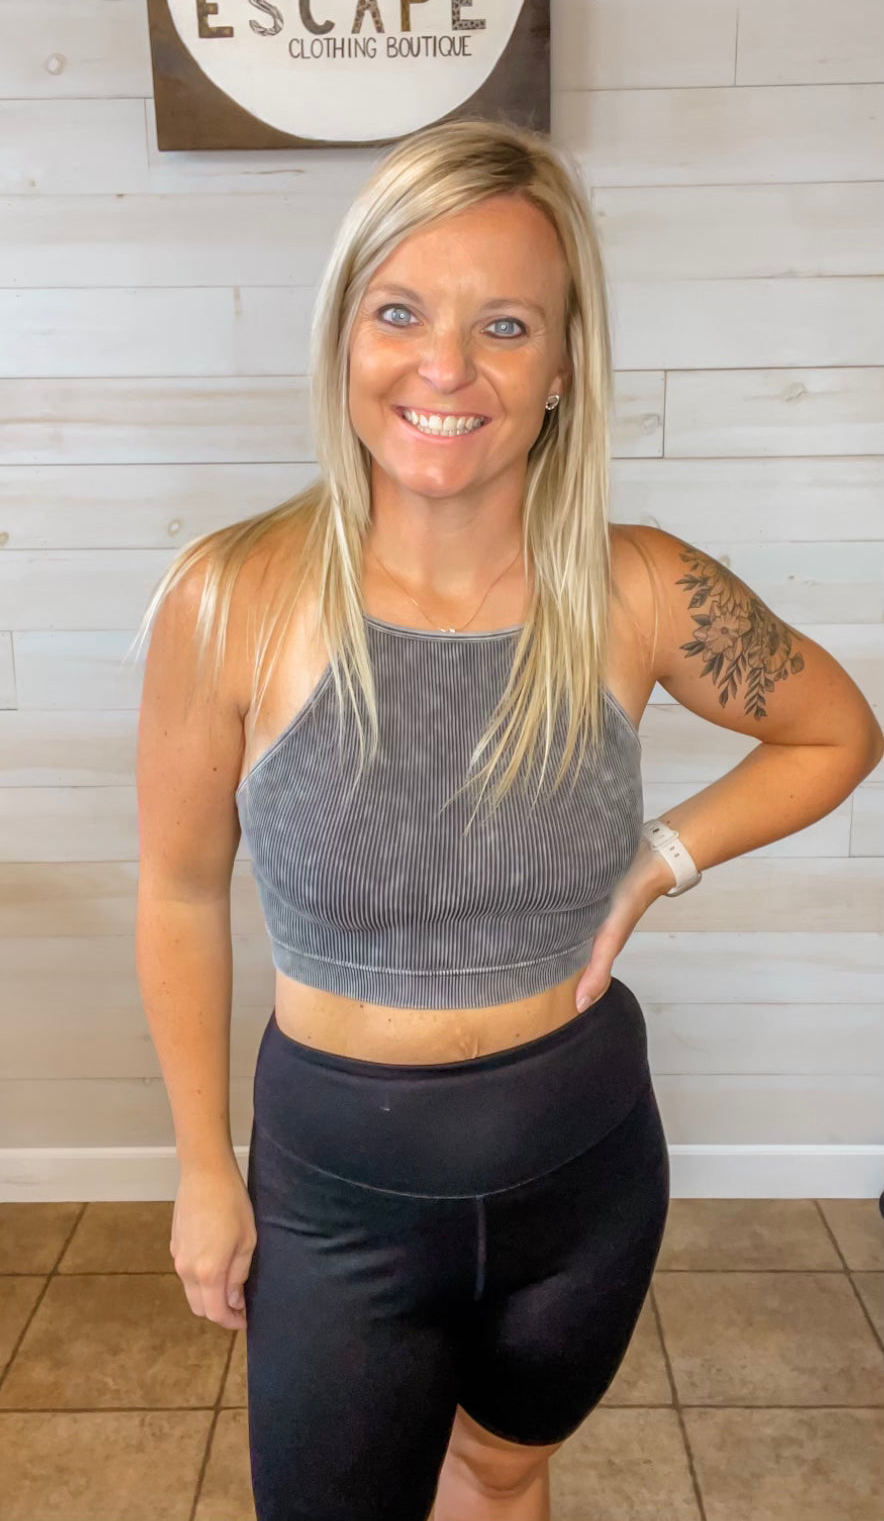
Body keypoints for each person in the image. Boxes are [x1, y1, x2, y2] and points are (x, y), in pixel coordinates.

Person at [132, 119, 883, 1521]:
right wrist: (198, 1169)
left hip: (583, 1176)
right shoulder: (229, 600)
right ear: (343, 333)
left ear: (562, 367)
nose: (446, 367)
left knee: (502, 1471)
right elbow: (177, 892)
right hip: (337, 1195)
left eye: (505, 325)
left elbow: (837, 730)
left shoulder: (638, 588)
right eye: (400, 311)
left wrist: (660, 863)